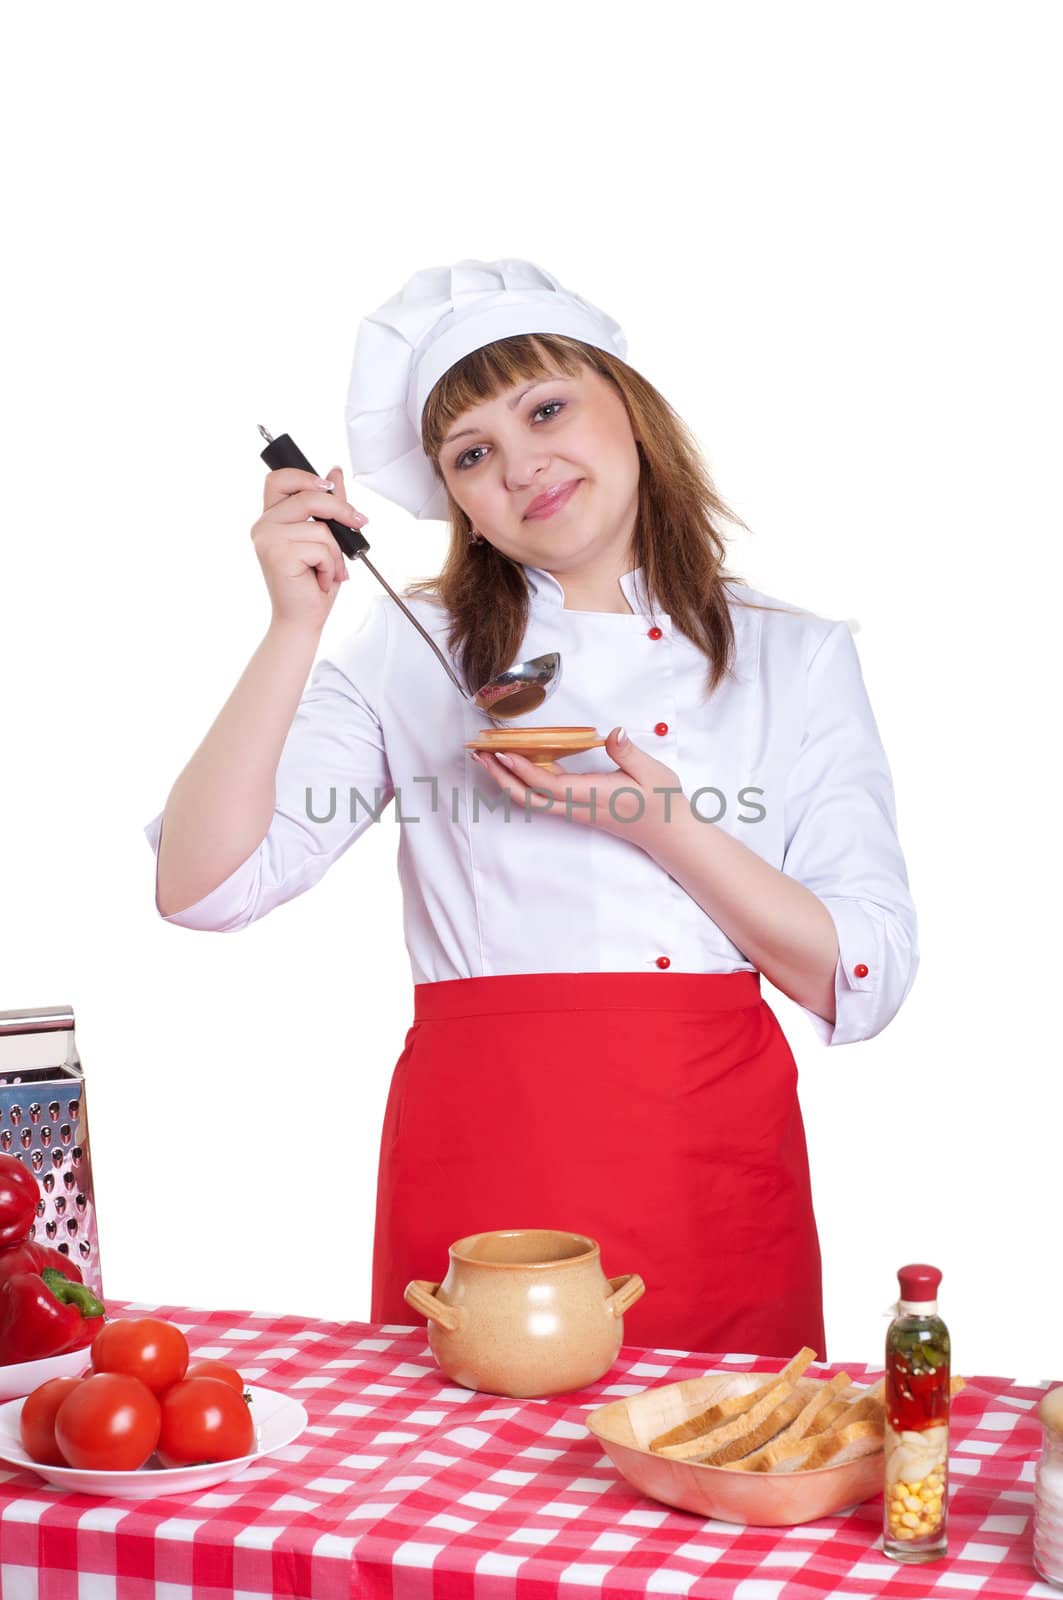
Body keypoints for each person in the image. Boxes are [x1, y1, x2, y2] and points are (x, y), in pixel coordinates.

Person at [144, 258, 918, 1357]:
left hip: (706, 1166)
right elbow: (202, 886)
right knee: (458, 1516)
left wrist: (661, 824)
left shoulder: (794, 655)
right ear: (451, 495)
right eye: (472, 453)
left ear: (630, 407)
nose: (523, 466)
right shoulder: (408, 657)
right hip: (482, 1169)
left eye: (547, 407)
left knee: (722, 1487)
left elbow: (869, 974)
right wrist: (291, 627)